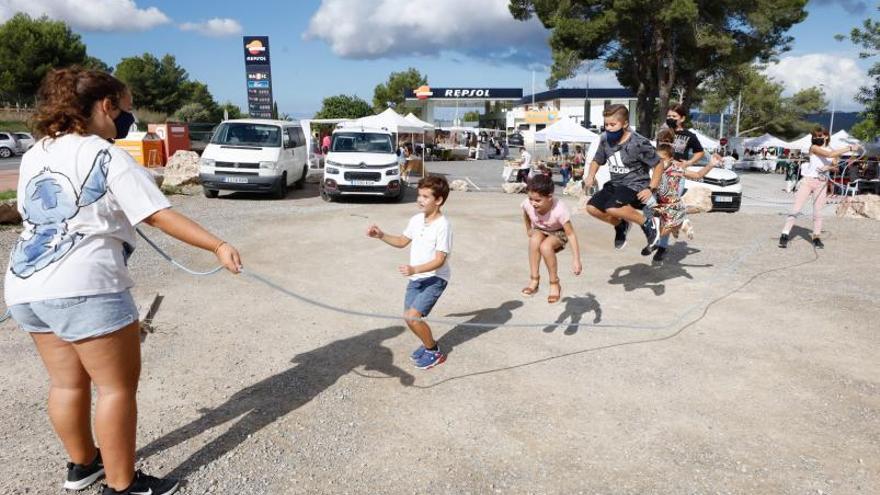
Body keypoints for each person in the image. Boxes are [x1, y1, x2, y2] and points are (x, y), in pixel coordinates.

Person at [4, 67, 243, 495]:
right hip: (86, 284)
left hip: (27, 284)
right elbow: (157, 214)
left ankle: (82, 466)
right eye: (124, 114)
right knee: (115, 389)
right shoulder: (105, 154)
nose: (123, 124)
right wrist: (217, 244)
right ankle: (123, 484)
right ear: (104, 106)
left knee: (66, 382)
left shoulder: (38, 152)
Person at [367, 176, 453, 369]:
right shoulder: (416, 220)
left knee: (412, 317)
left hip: (435, 278)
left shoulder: (443, 226)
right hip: (416, 278)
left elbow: (440, 260)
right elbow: (401, 241)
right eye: (418, 195)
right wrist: (381, 235)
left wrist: (415, 269)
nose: (419, 200)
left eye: (425, 196)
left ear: (438, 200)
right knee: (409, 318)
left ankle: (434, 351)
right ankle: (428, 344)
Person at [583, 104, 661, 252]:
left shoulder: (638, 142)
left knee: (612, 207)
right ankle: (621, 225)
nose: (609, 128)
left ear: (625, 124)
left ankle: (648, 224)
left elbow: (658, 164)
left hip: (635, 184)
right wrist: (591, 175)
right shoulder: (605, 139)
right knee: (592, 208)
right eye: (606, 124)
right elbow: (597, 159)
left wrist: (651, 188)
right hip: (616, 184)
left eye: (613, 124)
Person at [779, 127, 856, 249]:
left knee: (818, 211)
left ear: (826, 136)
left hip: (821, 183)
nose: (816, 138)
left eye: (819, 136)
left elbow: (836, 167)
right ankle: (784, 234)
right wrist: (850, 148)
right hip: (808, 181)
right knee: (796, 208)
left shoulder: (832, 150)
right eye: (814, 137)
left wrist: (828, 168)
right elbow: (829, 155)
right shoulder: (814, 148)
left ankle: (816, 237)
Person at [650, 104, 705, 262]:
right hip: (661, 172)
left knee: (668, 209)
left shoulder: (689, 135)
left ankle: (662, 246)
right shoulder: (662, 133)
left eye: (674, 116)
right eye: (669, 116)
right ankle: (670, 232)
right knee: (659, 210)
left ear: (682, 118)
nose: (671, 119)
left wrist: (687, 163)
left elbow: (700, 152)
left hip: (676, 175)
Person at [520, 174, 582, 304]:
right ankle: (534, 280)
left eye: (537, 200)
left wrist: (576, 260)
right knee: (534, 240)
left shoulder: (559, 210)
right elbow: (526, 213)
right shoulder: (528, 204)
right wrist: (528, 229)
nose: (533, 203)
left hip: (558, 232)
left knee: (545, 247)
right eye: (531, 199)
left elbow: (570, 234)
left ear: (549, 197)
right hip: (540, 230)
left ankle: (554, 283)